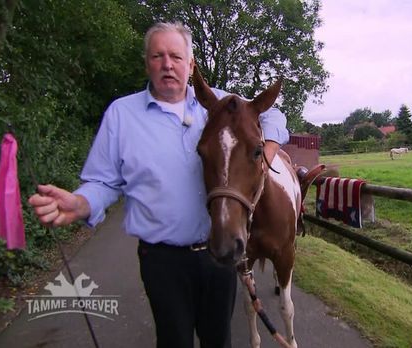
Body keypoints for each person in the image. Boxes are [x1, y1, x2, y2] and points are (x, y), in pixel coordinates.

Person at [28, 21, 289, 348]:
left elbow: (273, 114)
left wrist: (269, 148)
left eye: (176, 57)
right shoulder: (122, 115)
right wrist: (80, 203)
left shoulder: (221, 105)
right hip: (162, 261)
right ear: (147, 62)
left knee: (219, 341)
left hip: (218, 255)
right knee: (173, 340)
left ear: (190, 64)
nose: (168, 64)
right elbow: (103, 181)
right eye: (158, 56)